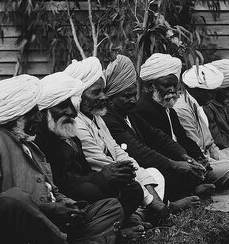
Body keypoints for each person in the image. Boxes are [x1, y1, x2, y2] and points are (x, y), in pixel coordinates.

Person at [0, 75, 134, 244]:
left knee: (109, 207)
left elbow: (50, 189)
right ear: (16, 114)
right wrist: (48, 209)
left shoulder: (29, 144)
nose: (38, 118)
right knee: (14, 199)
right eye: (32, 113)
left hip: (40, 228)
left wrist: (68, 205)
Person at [32, 72, 159, 236]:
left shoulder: (69, 135)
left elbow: (85, 170)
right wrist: (102, 177)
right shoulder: (40, 140)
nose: (72, 112)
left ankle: (116, 226)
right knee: (89, 191)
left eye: (72, 105)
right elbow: (59, 184)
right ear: (44, 111)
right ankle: (112, 233)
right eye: (63, 106)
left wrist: (113, 175)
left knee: (132, 188)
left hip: (87, 188)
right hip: (67, 200)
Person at [63, 57, 170, 214]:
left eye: (103, 91)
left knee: (153, 174)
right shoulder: (76, 123)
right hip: (97, 181)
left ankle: (148, 212)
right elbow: (102, 163)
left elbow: (119, 153)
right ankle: (147, 212)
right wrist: (152, 200)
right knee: (131, 187)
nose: (104, 97)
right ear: (78, 96)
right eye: (96, 92)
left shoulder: (97, 117)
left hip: (117, 175)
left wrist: (149, 191)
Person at [100, 55, 206, 210]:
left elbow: (157, 136)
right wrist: (174, 165)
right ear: (110, 99)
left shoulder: (130, 113)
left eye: (133, 95)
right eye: (127, 96)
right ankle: (168, 206)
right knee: (156, 173)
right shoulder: (109, 119)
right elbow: (138, 151)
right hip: (130, 172)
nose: (133, 100)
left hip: (144, 169)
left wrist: (185, 158)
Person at [132, 53, 229, 192]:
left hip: (186, 162)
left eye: (174, 85)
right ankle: (192, 187)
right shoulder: (143, 110)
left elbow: (184, 139)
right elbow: (159, 150)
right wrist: (191, 163)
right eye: (166, 85)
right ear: (151, 86)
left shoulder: (168, 108)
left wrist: (199, 158)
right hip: (169, 167)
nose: (172, 90)